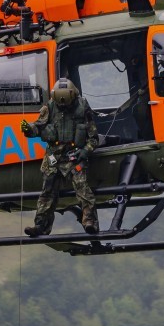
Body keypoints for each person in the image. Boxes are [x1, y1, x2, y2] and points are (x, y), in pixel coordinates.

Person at [20, 77, 99, 237]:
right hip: (53, 157)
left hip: (74, 156)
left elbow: (93, 137)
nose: (63, 107)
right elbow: (38, 127)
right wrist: (28, 129)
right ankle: (40, 226)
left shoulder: (83, 107)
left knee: (82, 187)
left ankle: (90, 222)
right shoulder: (48, 107)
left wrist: (85, 151)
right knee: (47, 192)